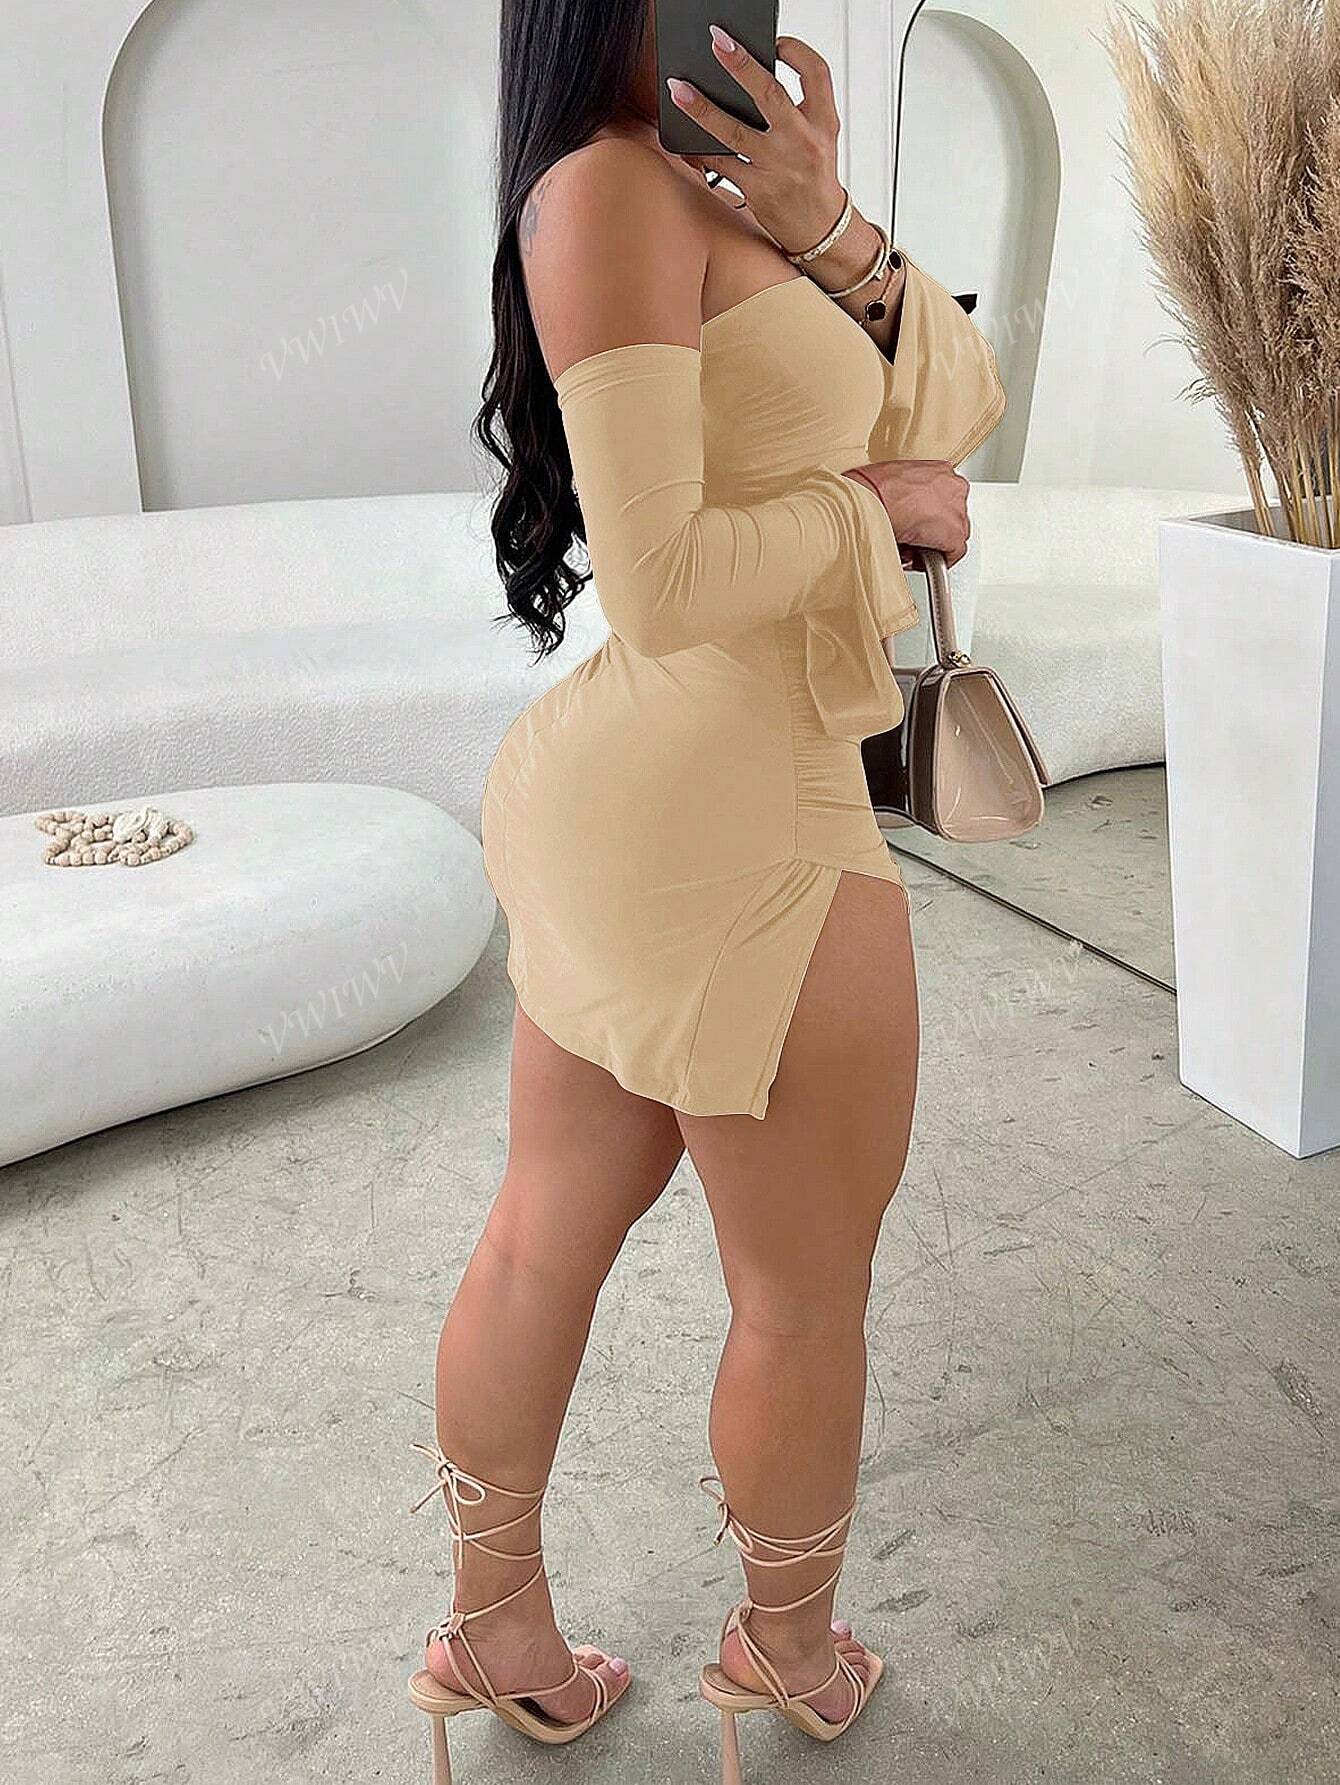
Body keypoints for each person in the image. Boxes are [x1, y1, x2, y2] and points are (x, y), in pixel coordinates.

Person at [406, 4, 1003, 1778]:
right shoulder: (600, 192)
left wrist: (832, 223)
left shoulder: (726, 184)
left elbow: (961, 406)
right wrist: (868, 514)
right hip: (734, 807)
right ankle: (787, 1653)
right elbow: (663, 582)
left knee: (549, 1231)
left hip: (678, 794)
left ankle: (494, 1632)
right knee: (797, 1290)